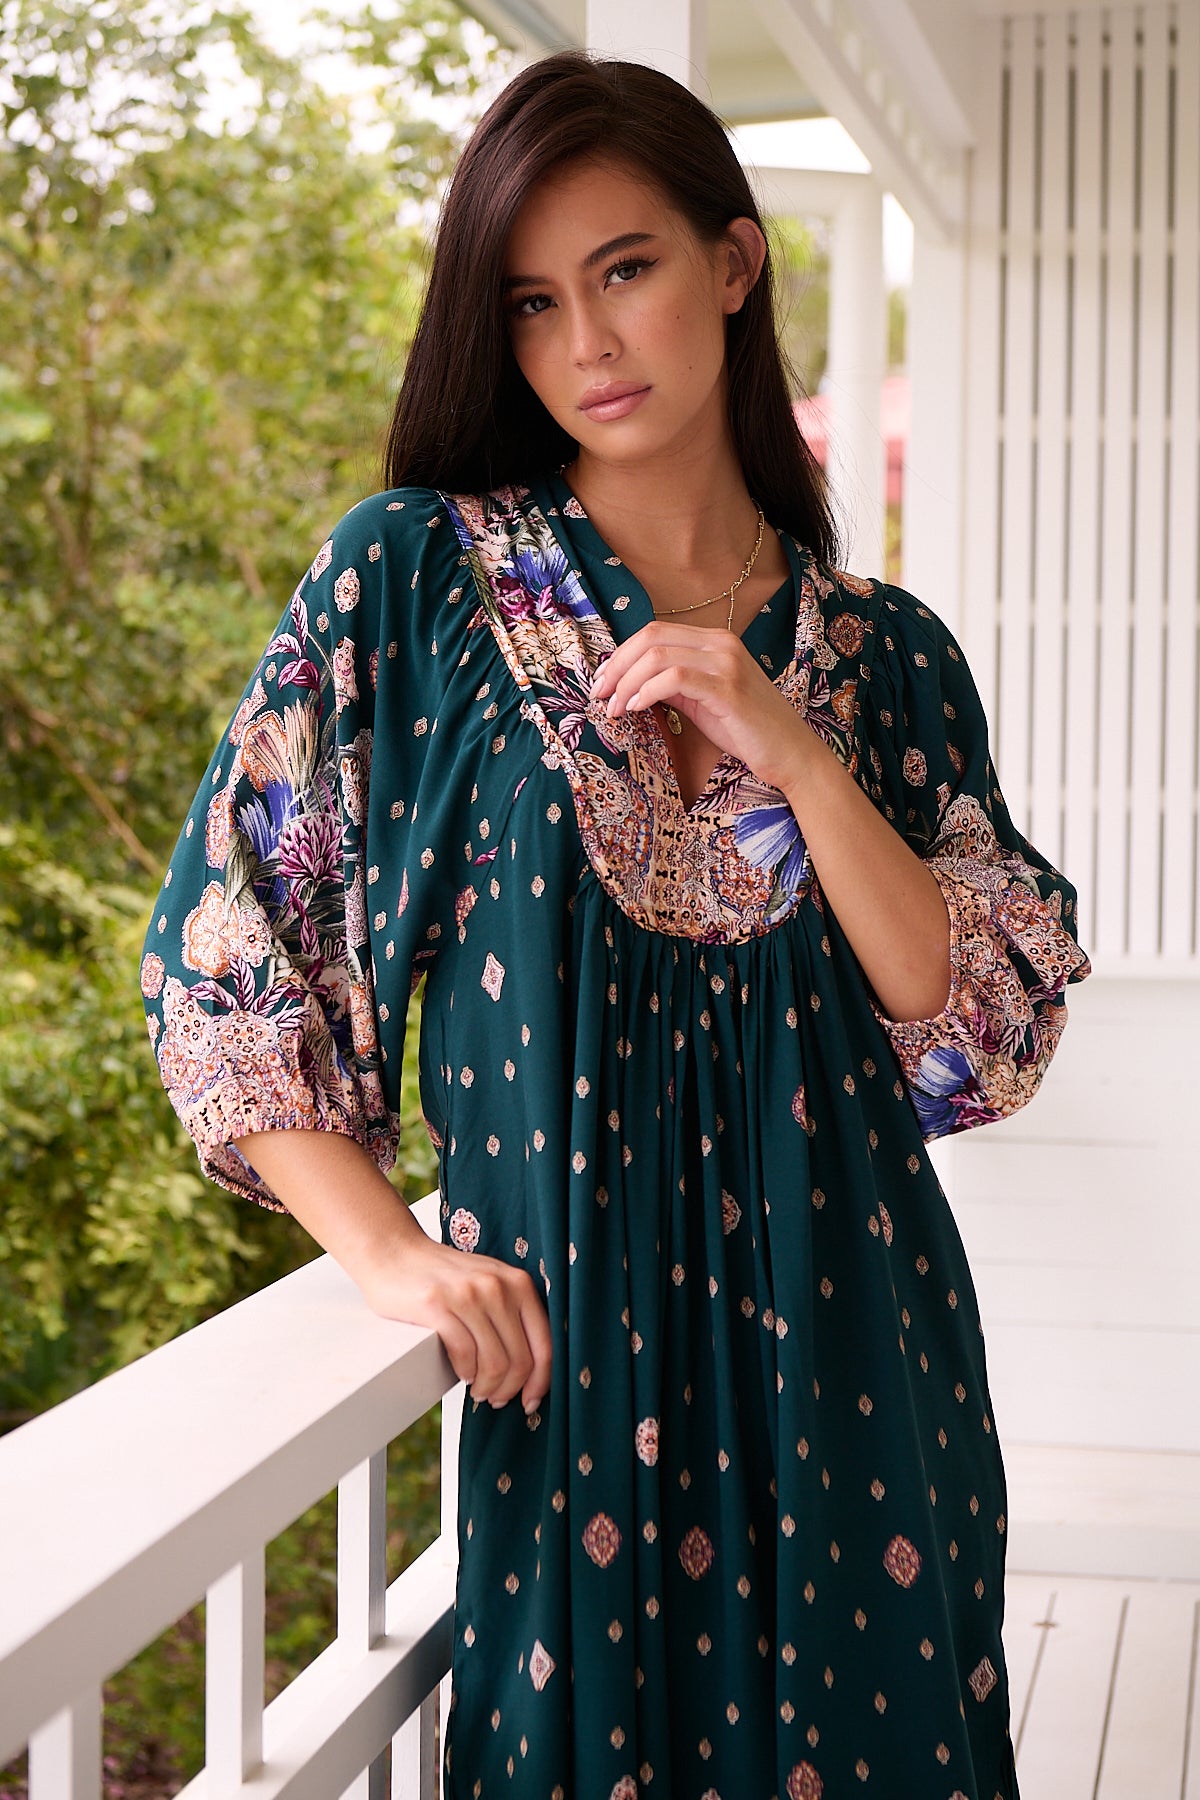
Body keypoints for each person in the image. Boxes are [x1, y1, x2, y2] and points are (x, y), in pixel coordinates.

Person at [140, 49, 1091, 1800]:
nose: (588, 341)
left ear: (735, 262)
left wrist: (795, 752)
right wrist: (384, 1250)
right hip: (574, 1408)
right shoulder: (415, 582)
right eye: (532, 302)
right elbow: (230, 943)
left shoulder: (892, 661)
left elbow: (974, 1029)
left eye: (628, 269)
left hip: (866, 1400)